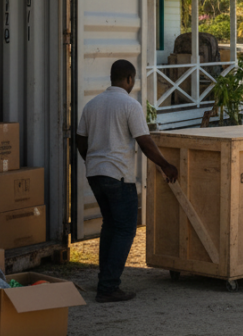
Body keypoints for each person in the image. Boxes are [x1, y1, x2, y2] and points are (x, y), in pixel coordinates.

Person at [75, 59, 178, 303]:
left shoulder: (92, 105)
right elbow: (144, 141)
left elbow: (80, 140)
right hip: (118, 176)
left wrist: (91, 161)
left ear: (112, 78)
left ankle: (105, 280)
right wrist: (166, 165)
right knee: (125, 229)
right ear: (129, 79)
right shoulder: (130, 105)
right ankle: (109, 287)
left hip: (95, 174)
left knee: (110, 226)